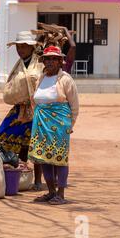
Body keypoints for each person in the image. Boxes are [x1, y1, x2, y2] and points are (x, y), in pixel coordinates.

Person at [29, 46, 79, 205]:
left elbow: (74, 104)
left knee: (59, 157)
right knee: (43, 158)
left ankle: (61, 194)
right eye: (47, 58)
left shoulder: (65, 79)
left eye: (53, 59)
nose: (50, 61)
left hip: (60, 123)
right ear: (43, 61)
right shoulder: (41, 78)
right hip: (41, 123)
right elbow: (35, 100)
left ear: (60, 62)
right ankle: (50, 192)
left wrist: (71, 124)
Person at [0, 31, 44, 190]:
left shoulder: (39, 64)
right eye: (18, 47)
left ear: (31, 48)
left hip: (37, 109)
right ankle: (20, 172)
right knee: (5, 134)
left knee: (35, 143)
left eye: (24, 46)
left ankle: (37, 180)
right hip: (20, 108)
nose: (20, 50)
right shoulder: (20, 65)